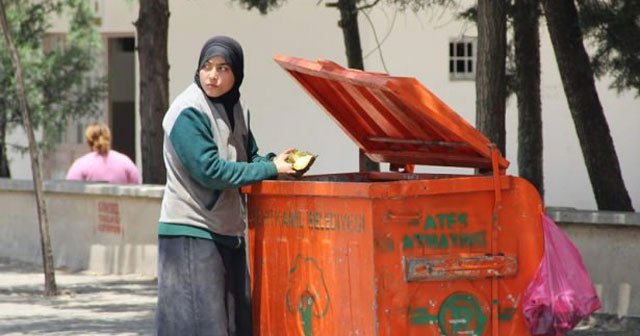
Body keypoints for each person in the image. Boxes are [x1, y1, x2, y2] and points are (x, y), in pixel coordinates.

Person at [155, 36, 297, 335]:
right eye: (206, 67)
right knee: (200, 325)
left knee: (235, 325)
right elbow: (210, 170)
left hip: (227, 232)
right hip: (191, 232)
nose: (213, 75)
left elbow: (249, 155)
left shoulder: (236, 108)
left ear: (237, 74)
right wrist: (269, 169)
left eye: (223, 68)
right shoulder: (188, 111)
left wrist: (276, 164)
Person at [65, 123, 141, 184]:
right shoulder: (126, 162)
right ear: (108, 139)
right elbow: (137, 187)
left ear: (88, 142)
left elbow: (70, 191)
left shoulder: (80, 165)